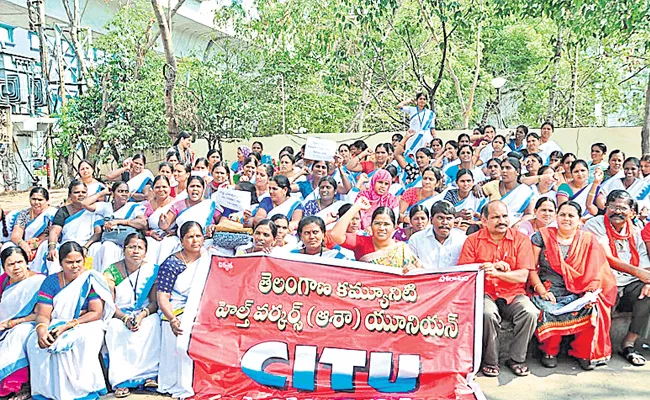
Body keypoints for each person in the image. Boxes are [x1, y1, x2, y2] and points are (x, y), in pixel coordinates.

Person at [529, 201, 617, 370]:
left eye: (571, 215)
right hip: (548, 287)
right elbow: (531, 268)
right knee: (549, 308)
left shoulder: (588, 239)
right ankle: (549, 351)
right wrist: (540, 289)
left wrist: (589, 292)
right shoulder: (542, 236)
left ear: (579, 220)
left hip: (580, 287)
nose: (566, 219)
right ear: (556, 216)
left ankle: (582, 352)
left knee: (592, 307)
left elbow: (596, 270)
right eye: (562, 215)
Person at [458, 201, 538, 377]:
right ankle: (490, 361)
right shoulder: (472, 241)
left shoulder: (521, 240)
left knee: (530, 312)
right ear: (484, 220)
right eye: (495, 217)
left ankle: (517, 359)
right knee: (487, 313)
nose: (501, 221)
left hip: (514, 294)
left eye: (504, 216)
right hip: (484, 292)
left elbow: (523, 276)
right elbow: (466, 275)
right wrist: (489, 268)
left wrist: (497, 273)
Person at [27, 241, 115, 400]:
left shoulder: (90, 279)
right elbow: (43, 313)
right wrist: (41, 331)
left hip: (86, 324)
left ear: (84, 259)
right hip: (57, 321)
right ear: (60, 263)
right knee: (34, 342)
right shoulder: (51, 282)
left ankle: (81, 391)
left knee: (77, 341)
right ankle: (48, 392)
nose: (75, 266)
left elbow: (95, 312)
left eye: (78, 261)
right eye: (69, 262)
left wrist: (68, 326)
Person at [583, 190, 650, 366]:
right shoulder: (594, 225)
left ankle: (628, 344)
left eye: (623, 208)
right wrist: (639, 273)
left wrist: (648, 281)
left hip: (628, 282)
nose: (617, 211)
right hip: (602, 279)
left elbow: (644, 263)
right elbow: (608, 259)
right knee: (602, 294)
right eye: (613, 206)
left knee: (648, 293)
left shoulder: (636, 231)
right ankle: (591, 350)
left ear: (632, 212)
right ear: (606, 207)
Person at [104, 233, 160, 397]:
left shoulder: (151, 270)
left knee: (154, 323)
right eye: (131, 247)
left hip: (144, 313)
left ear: (145, 252)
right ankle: (122, 380)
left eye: (140, 248)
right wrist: (125, 318)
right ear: (124, 250)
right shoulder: (111, 271)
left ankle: (149, 375)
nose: (135, 251)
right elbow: (109, 303)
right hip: (119, 315)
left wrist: (142, 315)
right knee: (115, 329)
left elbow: (154, 302)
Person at [157, 221, 208, 398]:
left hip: (202, 311)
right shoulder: (172, 264)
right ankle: (179, 385)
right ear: (181, 240)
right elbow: (162, 296)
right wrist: (172, 318)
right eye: (190, 237)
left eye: (198, 236)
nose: (195, 241)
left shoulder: (208, 259)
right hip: (176, 312)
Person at [0, 246, 45, 400]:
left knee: (20, 333)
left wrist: (11, 323)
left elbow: (42, 313)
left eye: (20, 262)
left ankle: (19, 386)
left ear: (27, 262)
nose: (16, 267)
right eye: (11, 264)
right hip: (4, 325)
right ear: (4, 267)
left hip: (29, 323)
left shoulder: (39, 281)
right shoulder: (3, 281)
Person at [330, 198, 422, 272]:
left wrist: (413, 270)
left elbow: (420, 271)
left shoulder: (402, 249)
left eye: (386, 224)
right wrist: (356, 207)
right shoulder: (361, 243)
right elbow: (335, 234)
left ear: (394, 227)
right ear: (371, 225)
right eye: (377, 223)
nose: (381, 228)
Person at [33, 180, 102, 275]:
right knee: (52, 251)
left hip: (87, 245)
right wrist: (52, 247)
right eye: (76, 192)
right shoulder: (63, 211)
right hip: (67, 244)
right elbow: (54, 231)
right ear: (70, 195)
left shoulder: (94, 210)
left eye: (83, 192)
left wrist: (85, 247)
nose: (80, 195)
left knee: (98, 248)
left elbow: (97, 232)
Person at [81, 182, 148, 271]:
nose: (124, 194)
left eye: (126, 191)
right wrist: (103, 193)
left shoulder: (134, 207)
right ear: (112, 193)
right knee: (99, 247)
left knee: (108, 247)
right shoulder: (106, 206)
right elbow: (85, 203)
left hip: (126, 241)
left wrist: (119, 222)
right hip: (109, 239)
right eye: (120, 191)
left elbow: (142, 223)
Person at [158, 176, 220, 263]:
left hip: (205, 242)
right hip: (182, 242)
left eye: (198, 186)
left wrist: (214, 227)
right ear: (187, 189)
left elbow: (221, 223)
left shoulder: (210, 205)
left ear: (203, 189)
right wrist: (163, 222)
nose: (195, 189)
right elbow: (164, 225)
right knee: (166, 246)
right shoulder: (179, 205)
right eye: (192, 186)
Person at [409, 200, 467, 270]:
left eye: (449, 219)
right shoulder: (416, 239)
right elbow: (411, 266)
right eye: (440, 218)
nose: (445, 222)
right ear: (431, 220)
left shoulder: (463, 240)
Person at [481, 157, 534, 225]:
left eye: (508, 168)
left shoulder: (525, 191)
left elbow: (529, 214)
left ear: (517, 171)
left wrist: (516, 225)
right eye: (502, 168)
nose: (504, 171)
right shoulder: (491, 185)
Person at [10, 187, 57, 262]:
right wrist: (23, 244)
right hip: (25, 244)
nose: (36, 202)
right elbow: (15, 235)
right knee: (7, 247)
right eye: (33, 199)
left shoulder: (52, 214)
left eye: (40, 200)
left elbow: (54, 234)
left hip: (44, 243)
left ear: (47, 201)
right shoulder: (24, 213)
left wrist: (35, 245)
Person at [397, 92, 436, 158]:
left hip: (425, 138)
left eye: (424, 99)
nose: (422, 100)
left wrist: (435, 139)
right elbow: (399, 106)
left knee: (423, 156)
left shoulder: (430, 113)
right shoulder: (412, 109)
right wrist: (408, 101)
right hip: (413, 136)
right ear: (417, 100)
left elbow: (432, 128)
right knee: (410, 155)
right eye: (420, 99)